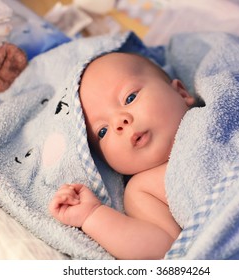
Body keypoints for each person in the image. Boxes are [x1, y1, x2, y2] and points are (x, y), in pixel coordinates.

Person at [49, 52, 201, 259]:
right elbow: (161, 249)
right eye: (102, 131)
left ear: (181, 93)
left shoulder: (216, 108)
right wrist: (92, 215)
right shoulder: (142, 188)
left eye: (130, 98)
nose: (119, 122)